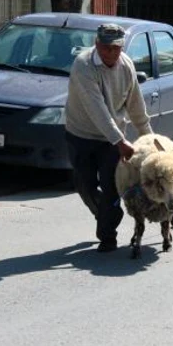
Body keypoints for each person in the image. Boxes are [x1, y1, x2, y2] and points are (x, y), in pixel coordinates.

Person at [65, 23, 153, 252]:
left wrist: (149, 138)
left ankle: (107, 235)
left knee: (111, 186)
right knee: (84, 184)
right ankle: (106, 212)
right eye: (106, 48)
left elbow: (135, 105)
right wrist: (120, 141)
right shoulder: (83, 65)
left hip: (111, 141)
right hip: (81, 134)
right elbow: (97, 110)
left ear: (122, 48)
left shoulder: (126, 66)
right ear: (97, 45)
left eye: (116, 48)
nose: (111, 53)